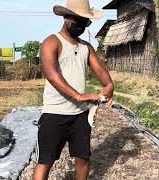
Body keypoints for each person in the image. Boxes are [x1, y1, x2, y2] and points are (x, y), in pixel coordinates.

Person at [33, 0, 114, 179]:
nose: (82, 27)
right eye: (79, 22)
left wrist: (109, 86)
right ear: (66, 18)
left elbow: (101, 72)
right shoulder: (52, 42)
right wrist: (79, 95)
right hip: (54, 113)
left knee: (83, 159)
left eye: (86, 23)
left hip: (80, 116)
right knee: (45, 161)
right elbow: (52, 75)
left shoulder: (86, 47)